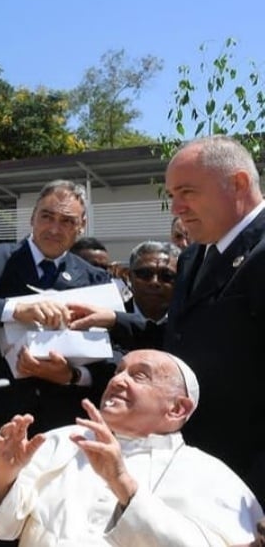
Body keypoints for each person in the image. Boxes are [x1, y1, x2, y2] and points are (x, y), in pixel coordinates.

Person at [72, 135, 265, 507]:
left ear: (238, 183)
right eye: (172, 193)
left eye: (187, 192)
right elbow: (186, 336)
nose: (176, 207)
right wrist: (114, 320)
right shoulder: (195, 256)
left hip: (244, 477)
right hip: (188, 464)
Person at [0, 179, 112, 547]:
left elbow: (110, 359)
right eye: (47, 216)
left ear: (81, 228)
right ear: (32, 219)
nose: (54, 228)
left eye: (67, 221)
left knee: (52, 527)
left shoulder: (94, 278)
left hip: (61, 430)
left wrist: (72, 375)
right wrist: (14, 310)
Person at [0, 349, 263, 545]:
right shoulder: (63, 440)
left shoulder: (209, 475)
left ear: (177, 409)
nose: (118, 380)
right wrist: (5, 476)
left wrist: (124, 485)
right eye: (118, 371)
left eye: (139, 376)